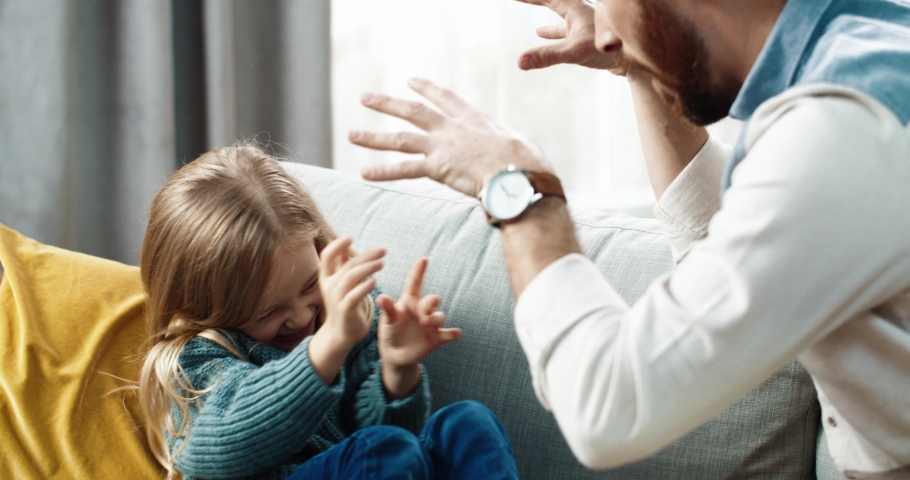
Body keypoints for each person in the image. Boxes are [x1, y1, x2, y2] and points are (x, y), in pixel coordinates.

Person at [347, 0, 910, 477]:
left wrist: (519, 191)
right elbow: (721, 248)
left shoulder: (844, 126)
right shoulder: (865, 57)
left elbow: (608, 411)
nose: (607, 33)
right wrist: (644, 66)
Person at [136, 145, 520, 480]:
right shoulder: (194, 361)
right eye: (266, 312)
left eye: (308, 285)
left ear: (319, 245)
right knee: (382, 449)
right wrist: (331, 344)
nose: (302, 316)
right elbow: (234, 437)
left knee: (467, 422)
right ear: (205, 308)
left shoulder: (354, 311)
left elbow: (401, 445)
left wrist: (397, 370)